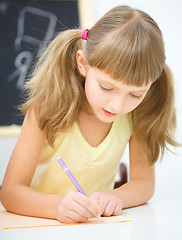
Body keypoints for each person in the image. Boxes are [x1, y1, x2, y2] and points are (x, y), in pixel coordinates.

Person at [1, 5, 179, 223]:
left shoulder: (139, 115)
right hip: (38, 226)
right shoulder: (47, 108)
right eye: (106, 87)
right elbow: (10, 192)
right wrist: (56, 207)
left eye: (135, 94)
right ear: (82, 63)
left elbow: (144, 183)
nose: (117, 105)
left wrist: (114, 198)